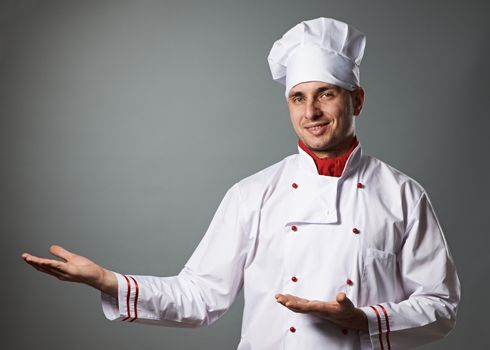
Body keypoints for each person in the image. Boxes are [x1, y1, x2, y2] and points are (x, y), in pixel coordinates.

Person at [22, 17, 460, 349]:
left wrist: (365, 319)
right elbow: (198, 296)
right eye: (298, 98)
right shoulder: (254, 194)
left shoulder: (403, 195)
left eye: (326, 94)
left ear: (356, 99)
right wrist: (109, 281)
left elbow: (441, 306)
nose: (311, 113)